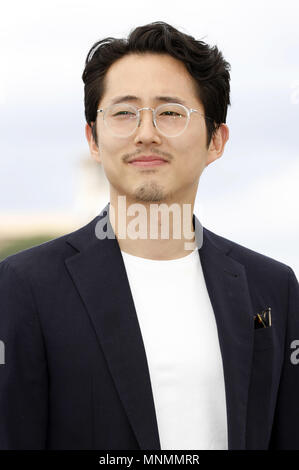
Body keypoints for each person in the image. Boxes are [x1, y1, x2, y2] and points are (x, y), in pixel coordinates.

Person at [0, 21, 298, 451]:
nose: (146, 133)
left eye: (171, 113)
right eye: (123, 113)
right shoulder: (24, 286)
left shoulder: (272, 287)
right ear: (94, 138)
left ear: (216, 140)